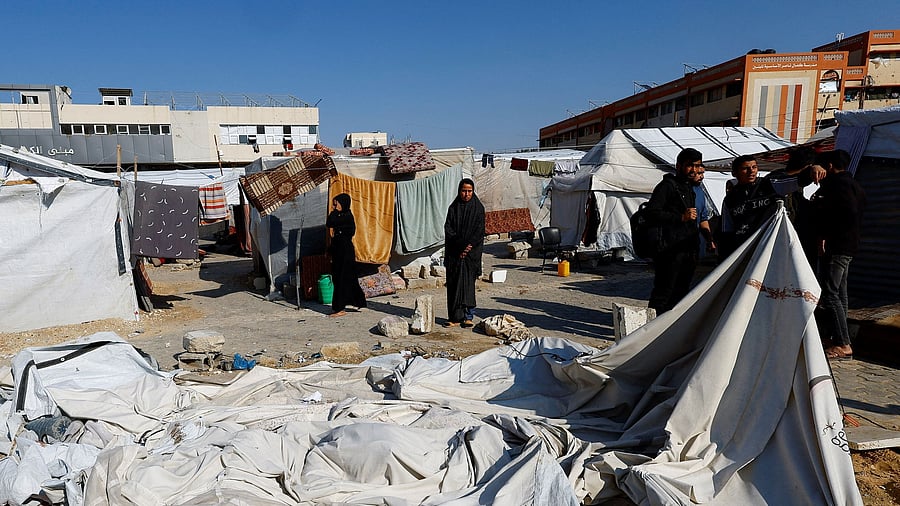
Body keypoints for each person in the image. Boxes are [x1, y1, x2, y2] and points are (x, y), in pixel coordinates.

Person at [811, 149, 866, 360]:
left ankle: (843, 343)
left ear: (830, 166)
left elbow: (846, 213)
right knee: (840, 294)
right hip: (848, 245)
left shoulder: (837, 185)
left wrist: (825, 235)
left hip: (837, 247)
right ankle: (839, 337)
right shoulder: (855, 185)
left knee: (830, 293)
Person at [718, 154, 826, 260]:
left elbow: (795, 181)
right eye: (745, 168)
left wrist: (812, 170)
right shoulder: (730, 199)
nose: (751, 171)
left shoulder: (768, 185)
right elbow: (726, 231)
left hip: (771, 248)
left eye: (754, 167)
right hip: (744, 250)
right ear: (734, 173)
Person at [643, 148, 704, 314]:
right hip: (669, 250)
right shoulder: (667, 186)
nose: (694, 170)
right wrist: (680, 217)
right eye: (689, 165)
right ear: (679, 166)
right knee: (664, 291)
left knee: (681, 292)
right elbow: (651, 213)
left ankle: (669, 330)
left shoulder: (689, 188)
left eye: (697, 166)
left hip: (687, 249)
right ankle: (652, 330)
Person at [443, 178, 485, 328]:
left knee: (467, 285)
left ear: (473, 192)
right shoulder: (453, 208)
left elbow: (479, 231)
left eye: (469, 191)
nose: (466, 194)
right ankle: (455, 317)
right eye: (463, 191)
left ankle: (468, 316)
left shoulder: (478, 208)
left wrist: (468, 247)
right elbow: (448, 228)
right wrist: (459, 245)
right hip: (455, 253)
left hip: (471, 254)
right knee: (454, 284)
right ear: (459, 191)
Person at [325, 193, 367, 317]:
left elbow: (331, 222)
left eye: (336, 203)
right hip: (339, 251)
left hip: (345, 252)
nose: (334, 205)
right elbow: (330, 224)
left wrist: (333, 212)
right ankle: (358, 301)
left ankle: (339, 308)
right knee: (345, 277)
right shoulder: (340, 216)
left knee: (342, 278)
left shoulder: (347, 216)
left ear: (343, 203)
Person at [690, 164, 717, 256]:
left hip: (695, 241)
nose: (702, 176)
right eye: (699, 173)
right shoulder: (677, 190)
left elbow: (703, 218)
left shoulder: (700, 192)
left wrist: (709, 240)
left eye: (702, 173)